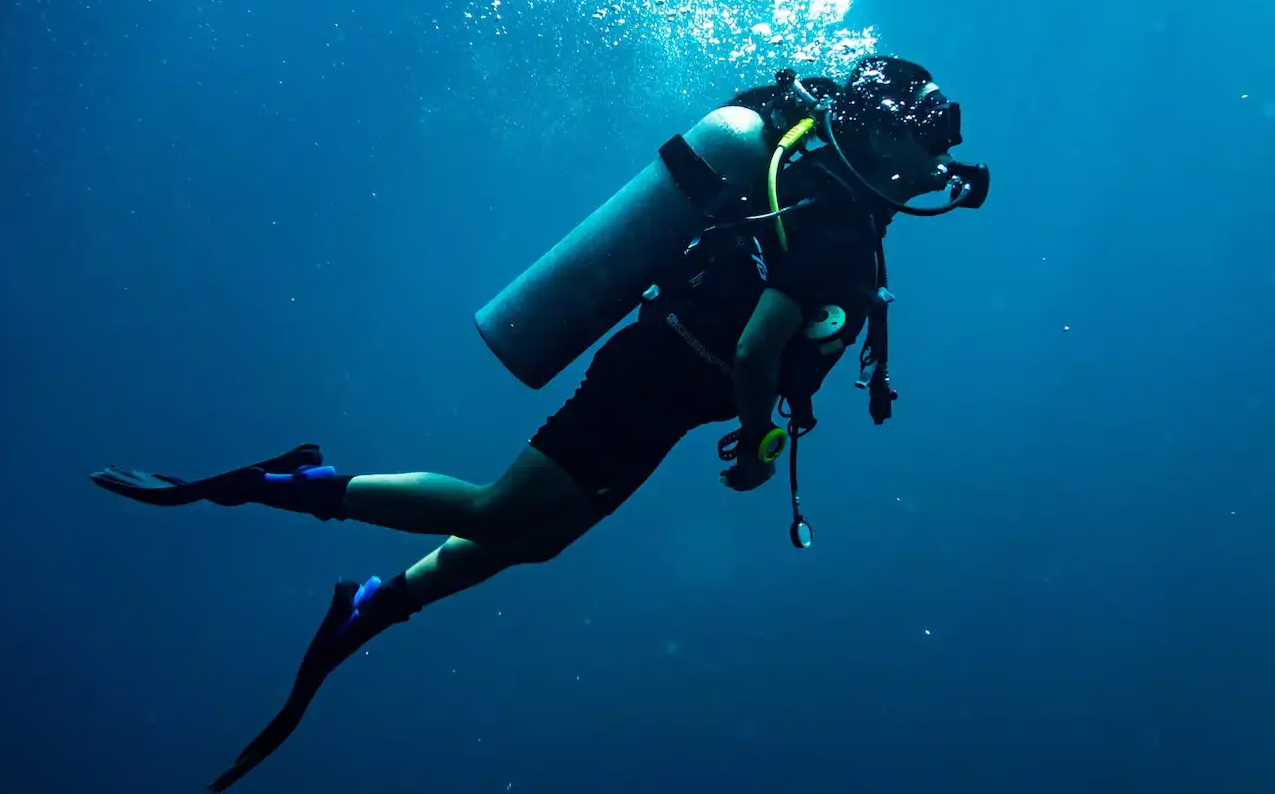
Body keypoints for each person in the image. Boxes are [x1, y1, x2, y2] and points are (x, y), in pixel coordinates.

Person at [90, 56, 989, 790]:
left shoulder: (829, 206)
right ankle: (281, 486)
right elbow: (759, 350)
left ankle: (370, 602)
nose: (931, 173)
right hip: (656, 381)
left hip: (665, 386)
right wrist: (758, 445)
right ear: (874, 136)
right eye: (918, 150)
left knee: (538, 539)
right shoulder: (835, 232)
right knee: (492, 514)